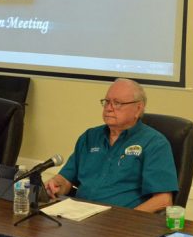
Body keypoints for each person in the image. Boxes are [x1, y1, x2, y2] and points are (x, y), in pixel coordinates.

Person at [45, 78, 178, 212]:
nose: (109, 108)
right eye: (107, 102)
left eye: (117, 103)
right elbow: (66, 180)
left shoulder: (154, 143)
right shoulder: (90, 137)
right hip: (79, 215)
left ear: (138, 108)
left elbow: (163, 200)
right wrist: (56, 184)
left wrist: (127, 220)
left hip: (121, 222)